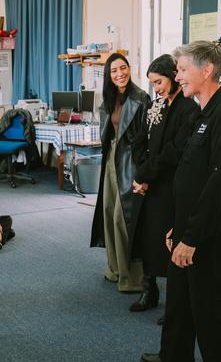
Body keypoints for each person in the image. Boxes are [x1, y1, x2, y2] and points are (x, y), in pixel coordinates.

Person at [140, 41, 221, 362]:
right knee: (179, 305)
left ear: (207, 70)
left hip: (207, 235)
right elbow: (193, 178)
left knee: (211, 310)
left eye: (184, 69)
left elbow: (217, 184)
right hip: (187, 227)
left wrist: (192, 237)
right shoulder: (202, 111)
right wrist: (178, 227)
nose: (179, 76)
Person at [129, 54, 199, 313]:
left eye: (159, 82)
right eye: (152, 84)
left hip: (170, 185)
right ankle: (149, 290)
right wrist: (142, 172)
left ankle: (177, 303)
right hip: (149, 182)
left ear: (172, 77)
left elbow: (174, 151)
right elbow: (138, 140)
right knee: (146, 236)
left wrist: (144, 175)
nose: (156, 89)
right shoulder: (155, 105)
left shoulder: (189, 109)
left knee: (168, 240)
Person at [90, 53, 151, 292]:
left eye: (123, 68)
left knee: (122, 218)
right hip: (112, 159)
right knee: (108, 214)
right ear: (108, 75)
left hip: (131, 160)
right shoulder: (108, 98)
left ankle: (132, 278)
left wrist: (143, 172)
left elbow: (146, 138)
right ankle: (115, 269)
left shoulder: (141, 98)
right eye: (114, 70)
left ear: (129, 69)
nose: (120, 74)